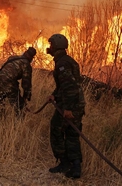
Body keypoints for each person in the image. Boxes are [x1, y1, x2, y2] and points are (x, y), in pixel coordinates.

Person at [46, 33, 86, 179]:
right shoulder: (68, 61)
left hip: (71, 104)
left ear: (56, 46)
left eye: (51, 45)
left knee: (56, 129)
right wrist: (54, 95)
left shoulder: (62, 63)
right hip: (78, 104)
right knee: (72, 135)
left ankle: (64, 163)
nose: (49, 47)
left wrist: (68, 108)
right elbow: (65, 85)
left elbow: (69, 87)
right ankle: (76, 168)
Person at [0, 47, 36, 118]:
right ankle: (18, 126)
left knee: (1, 105)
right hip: (8, 83)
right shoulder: (26, 64)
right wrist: (26, 96)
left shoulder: (13, 57)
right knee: (20, 107)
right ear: (31, 58)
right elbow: (26, 83)